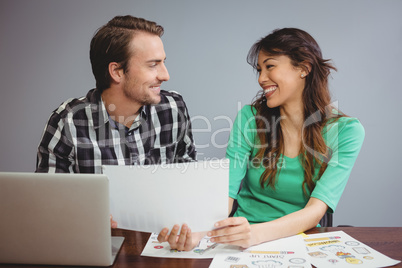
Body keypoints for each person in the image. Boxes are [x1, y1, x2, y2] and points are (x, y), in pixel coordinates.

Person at [158, 28, 364, 250]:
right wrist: (198, 232)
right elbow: (226, 191)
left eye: (270, 67)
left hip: (298, 242)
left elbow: (315, 210)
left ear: (303, 68)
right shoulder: (249, 118)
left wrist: (255, 234)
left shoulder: (346, 131)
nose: (261, 79)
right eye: (259, 69)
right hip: (241, 239)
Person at [36, 15, 196, 174]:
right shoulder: (68, 122)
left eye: (163, 62)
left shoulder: (173, 108)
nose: (165, 76)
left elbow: (189, 181)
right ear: (117, 71)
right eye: (153, 65)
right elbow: (50, 198)